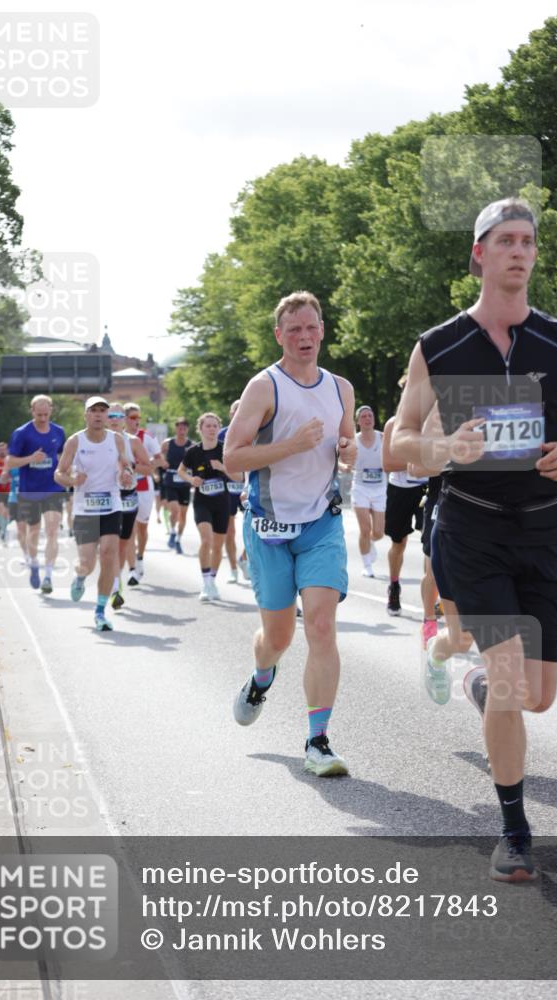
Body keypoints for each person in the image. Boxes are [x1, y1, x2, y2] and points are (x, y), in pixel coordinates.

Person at [391, 197, 557, 882]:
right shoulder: (440, 345)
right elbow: (398, 442)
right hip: (470, 524)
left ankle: (480, 681)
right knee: (515, 684)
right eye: (504, 240)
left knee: (534, 695)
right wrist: (442, 445)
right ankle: (513, 831)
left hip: (541, 527)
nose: (518, 250)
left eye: (527, 241)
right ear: (478, 254)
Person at [225, 290, 357, 777]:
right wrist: (289, 446)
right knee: (277, 637)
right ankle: (262, 677)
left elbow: (343, 448)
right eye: (294, 329)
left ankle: (318, 742)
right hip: (269, 526)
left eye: (311, 327)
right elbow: (232, 458)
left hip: (321, 523)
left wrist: (346, 452)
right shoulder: (265, 388)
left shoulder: (341, 388)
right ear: (279, 335)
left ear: (323, 330)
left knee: (321, 625)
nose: (304, 336)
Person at [54, 397, 134, 631]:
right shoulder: (75, 441)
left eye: (102, 411)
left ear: (107, 416)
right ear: (86, 415)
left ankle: (100, 611)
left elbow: (125, 464)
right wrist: (71, 480)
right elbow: (59, 473)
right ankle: (80, 577)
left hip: (111, 505)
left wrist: (127, 474)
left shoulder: (116, 439)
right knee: (87, 563)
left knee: (109, 555)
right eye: (94, 411)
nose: (98, 415)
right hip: (85, 510)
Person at [177, 413, 239, 601]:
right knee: (206, 540)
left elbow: (239, 476)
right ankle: (205, 583)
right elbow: (181, 470)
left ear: (219, 428)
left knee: (218, 545)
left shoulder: (225, 450)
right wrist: (190, 479)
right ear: (201, 429)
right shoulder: (193, 452)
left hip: (222, 502)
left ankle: (212, 581)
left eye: (215, 426)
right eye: (208, 426)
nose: (212, 429)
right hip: (202, 502)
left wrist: (222, 468)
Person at [6, 395, 66, 593]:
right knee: (33, 532)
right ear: (32, 411)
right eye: (39, 414)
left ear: (51, 409)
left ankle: (48, 576)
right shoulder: (22, 433)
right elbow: (10, 462)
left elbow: (62, 457)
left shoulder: (59, 431)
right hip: (29, 489)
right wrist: (31, 458)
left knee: (52, 530)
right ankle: (33, 563)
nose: (42, 418)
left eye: (45, 414)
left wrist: (68, 473)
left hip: (53, 488)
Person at [105, 403, 153, 609]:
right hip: (105, 497)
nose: (114, 419)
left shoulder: (132, 442)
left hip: (127, 496)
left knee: (123, 545)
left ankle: (117, 582)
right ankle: (114, 587)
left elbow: (150, 468)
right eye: (111, 415)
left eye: (118, 415)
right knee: (108, 545)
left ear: (123, 419)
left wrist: (129, 467)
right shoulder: (95, 440)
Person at [382, 415, 427, 614]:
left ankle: (435, 596)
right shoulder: (393, 424)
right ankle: (394, 586)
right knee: (399, 543)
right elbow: (388, 463)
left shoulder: (434, 420)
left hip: (428, 488)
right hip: (400, 489)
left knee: (432, 544)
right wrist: (422, 459)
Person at [123, 403, 166, 584]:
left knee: (142, 528)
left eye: (138, 417)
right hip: (126, 490)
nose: (137, 421)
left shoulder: (146, 437)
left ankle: (140, 557)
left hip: (144, 488)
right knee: (129, 529)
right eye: (133, 417)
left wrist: (146, 465)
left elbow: (161, 461)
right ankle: (132, 569)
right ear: (124, 419)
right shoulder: (119, 438)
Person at [350, 405, 386, 577]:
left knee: (378, 532)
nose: (367, 418)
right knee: (365, 529)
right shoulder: (353, 441)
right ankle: (367, 565)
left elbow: (393, 456)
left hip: (380, 489)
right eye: (363, 416)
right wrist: (344, 467)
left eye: (370, 415)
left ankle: (370, 542)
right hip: (360, 488)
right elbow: (343, 461)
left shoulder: (383, 438)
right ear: (358, 421)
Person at [219, 399, 249, 583]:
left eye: (243, 410)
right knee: (229, 531)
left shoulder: (255, 433)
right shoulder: (221, 435)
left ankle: (243, 559)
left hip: (247, 487)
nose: (239, 414)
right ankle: (232, 569)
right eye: (236, 411)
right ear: (231, 415)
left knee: (255, 529)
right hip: (226, 489)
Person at [160, 418, 193, 554]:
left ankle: (178, 539)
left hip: (185, 482)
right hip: (171, 480)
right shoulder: (167, 444)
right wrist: (163, 462)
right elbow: (160, 456)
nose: (182, 431)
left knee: (183, 514)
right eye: (179, 428)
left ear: (187, 430)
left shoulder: (191, 445)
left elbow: (196, 462)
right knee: (175, 510)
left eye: (184, 428)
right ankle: (173, 531)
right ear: (176, 429)